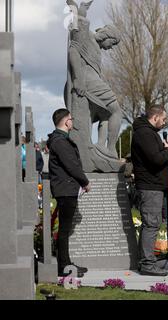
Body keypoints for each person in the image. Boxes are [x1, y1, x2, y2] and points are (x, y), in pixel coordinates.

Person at [47, 109, 91, 277]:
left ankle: (66, 264)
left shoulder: (59, 140)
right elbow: (71, 165)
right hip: (66, 190)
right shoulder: (60, 141)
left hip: (66, 189)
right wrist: (85, 182)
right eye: (71, 119)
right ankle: (64, 267)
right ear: (66, 122)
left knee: (65, 231)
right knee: (64, 231)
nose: (72, 122)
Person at [131, 105, 168, 276]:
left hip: (154, 186)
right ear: (155, 117)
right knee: (151, 225)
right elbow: (155, 160)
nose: (164, 123)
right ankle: (148, 264)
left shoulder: (148, 132)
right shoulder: (144, 134)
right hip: (150, 187)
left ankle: (147, 262)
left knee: (152, 224)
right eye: (163, 119)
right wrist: (166, 149)